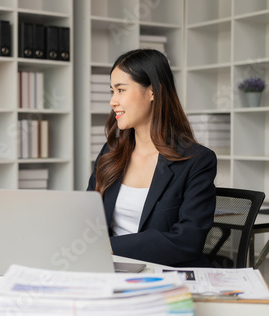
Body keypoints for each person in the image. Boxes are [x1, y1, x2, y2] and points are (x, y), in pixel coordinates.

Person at [87, 49, 217, 267]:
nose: (112, 101)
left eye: (120, 90)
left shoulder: (196, 161)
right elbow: (88, 218)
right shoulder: (110, 153)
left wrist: (110, 247)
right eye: (112, 91)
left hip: (165, 275)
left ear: (153, 92)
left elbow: (188, 240)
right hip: (108, 269)